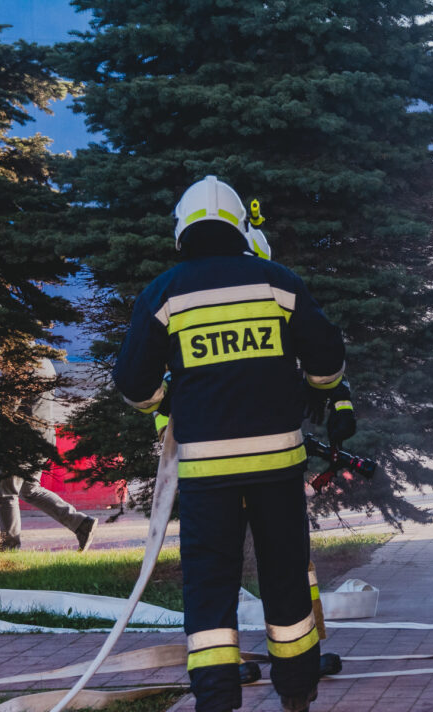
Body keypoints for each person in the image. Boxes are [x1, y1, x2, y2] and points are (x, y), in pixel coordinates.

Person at [113, 176, 354, 712]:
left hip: (205, 475)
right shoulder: (278, 283)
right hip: (277, 468)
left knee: (209, 586)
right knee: (286, 577)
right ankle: (296, 692)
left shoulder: (164, 293)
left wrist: (165, 403)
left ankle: (218, 699)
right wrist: (317, 390)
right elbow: (328, 360)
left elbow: (133, 384)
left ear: (183, 229)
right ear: (241, 227)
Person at [0, 357, 98, 552]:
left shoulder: (20, 363)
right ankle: (81, 524)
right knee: (30, 490)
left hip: (21, 439)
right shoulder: (44, 361)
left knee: (6, 492)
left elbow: (8, 408)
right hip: (43, 437)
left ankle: (9, 549)